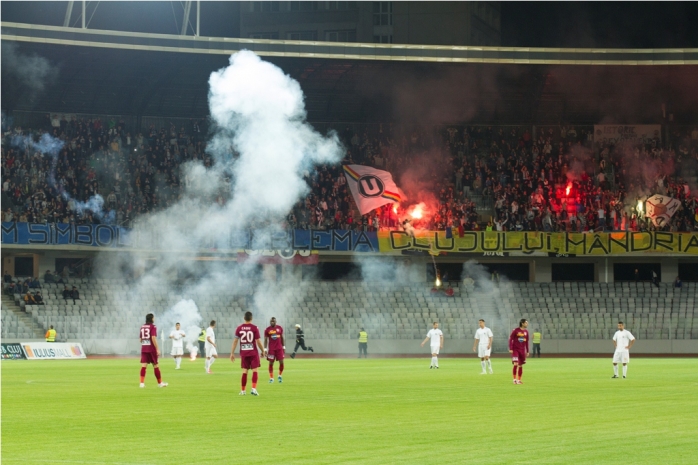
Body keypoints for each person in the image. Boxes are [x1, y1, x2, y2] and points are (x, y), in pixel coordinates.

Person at [231, 311, 266, 396]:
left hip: (244, 353)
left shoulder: (239, 328)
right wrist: (263, 351)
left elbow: (235, 341)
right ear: (251, 318)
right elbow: (258, 341)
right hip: (253, 353)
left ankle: (243, 391)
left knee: (244, 371)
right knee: (255, 370)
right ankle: (253, 389)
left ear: (244, 318)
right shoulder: (255, 328)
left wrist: (232, 353)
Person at [139, 313, 167, 388]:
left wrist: (145, 342)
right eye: (153, 318)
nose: (154, 319)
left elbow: (140, 340)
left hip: (144, 348)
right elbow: (153, 337)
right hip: (151, 349)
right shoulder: (153, 327)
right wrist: (157, 348)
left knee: (144, 366)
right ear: (151, 319)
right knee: (156, 365)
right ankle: (160, 383)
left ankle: (141, 383)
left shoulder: (142, 327)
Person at [264, 317, 285, 383]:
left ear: (276, 322)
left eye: (273, 321)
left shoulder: (280, 328)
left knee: (281, 362)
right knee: (271, 363)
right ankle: (271, 378)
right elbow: (265, 339)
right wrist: (265, 349)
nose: (272, 322)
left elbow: (282, 338)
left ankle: (280, 376)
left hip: (279, 348)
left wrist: (283, 347)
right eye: (271, 321)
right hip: (271, 349)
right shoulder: (267, 330)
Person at [508, 318, 530, 385]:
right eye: (526, 323)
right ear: (522, 323)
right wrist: (511, 348)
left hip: (522, 350)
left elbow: (526, 342)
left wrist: (527, 351)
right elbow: (511, 339)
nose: (527, 324)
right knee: (515, 364)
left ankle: (519, 380)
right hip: (515, 349)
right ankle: (514, 379)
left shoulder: (526, 332)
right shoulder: (515, 330)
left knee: (520, 365)